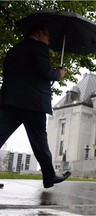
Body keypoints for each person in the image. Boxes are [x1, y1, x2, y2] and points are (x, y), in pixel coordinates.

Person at [0, 24, 71, 189]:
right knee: (39, 140)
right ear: (40, 33)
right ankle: (49, 176)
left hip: (10, 100)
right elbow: (45, 71)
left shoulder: (14, 50)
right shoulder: (39, 48)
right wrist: (58, 74)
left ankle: (49, 176)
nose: (48, 41)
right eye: (48, 37)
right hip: (33, 102)